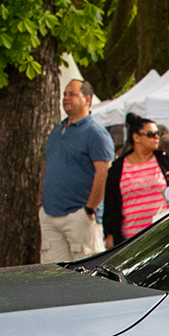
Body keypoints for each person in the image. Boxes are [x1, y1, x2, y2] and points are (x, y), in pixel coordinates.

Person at [39, 78, 113, 263]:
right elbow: (47, 166)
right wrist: (41, 203)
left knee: (88, 274)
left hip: (79, 215)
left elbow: (103, 173)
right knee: (54, 276)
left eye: (72, 94)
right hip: (50, 214)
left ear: (87, 99)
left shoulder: (96, 134)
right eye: (65, 94)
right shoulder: (56, 132)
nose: (66, 98)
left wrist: (89, 209)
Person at [103, 114, 169, 246]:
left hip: (163, 234)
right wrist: (109, 234)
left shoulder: (166, 160)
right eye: (151, 134)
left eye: (158, 134)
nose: (156, 137)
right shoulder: (118, 168)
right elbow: (110, 202)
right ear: (136, 137)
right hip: (130, 240)